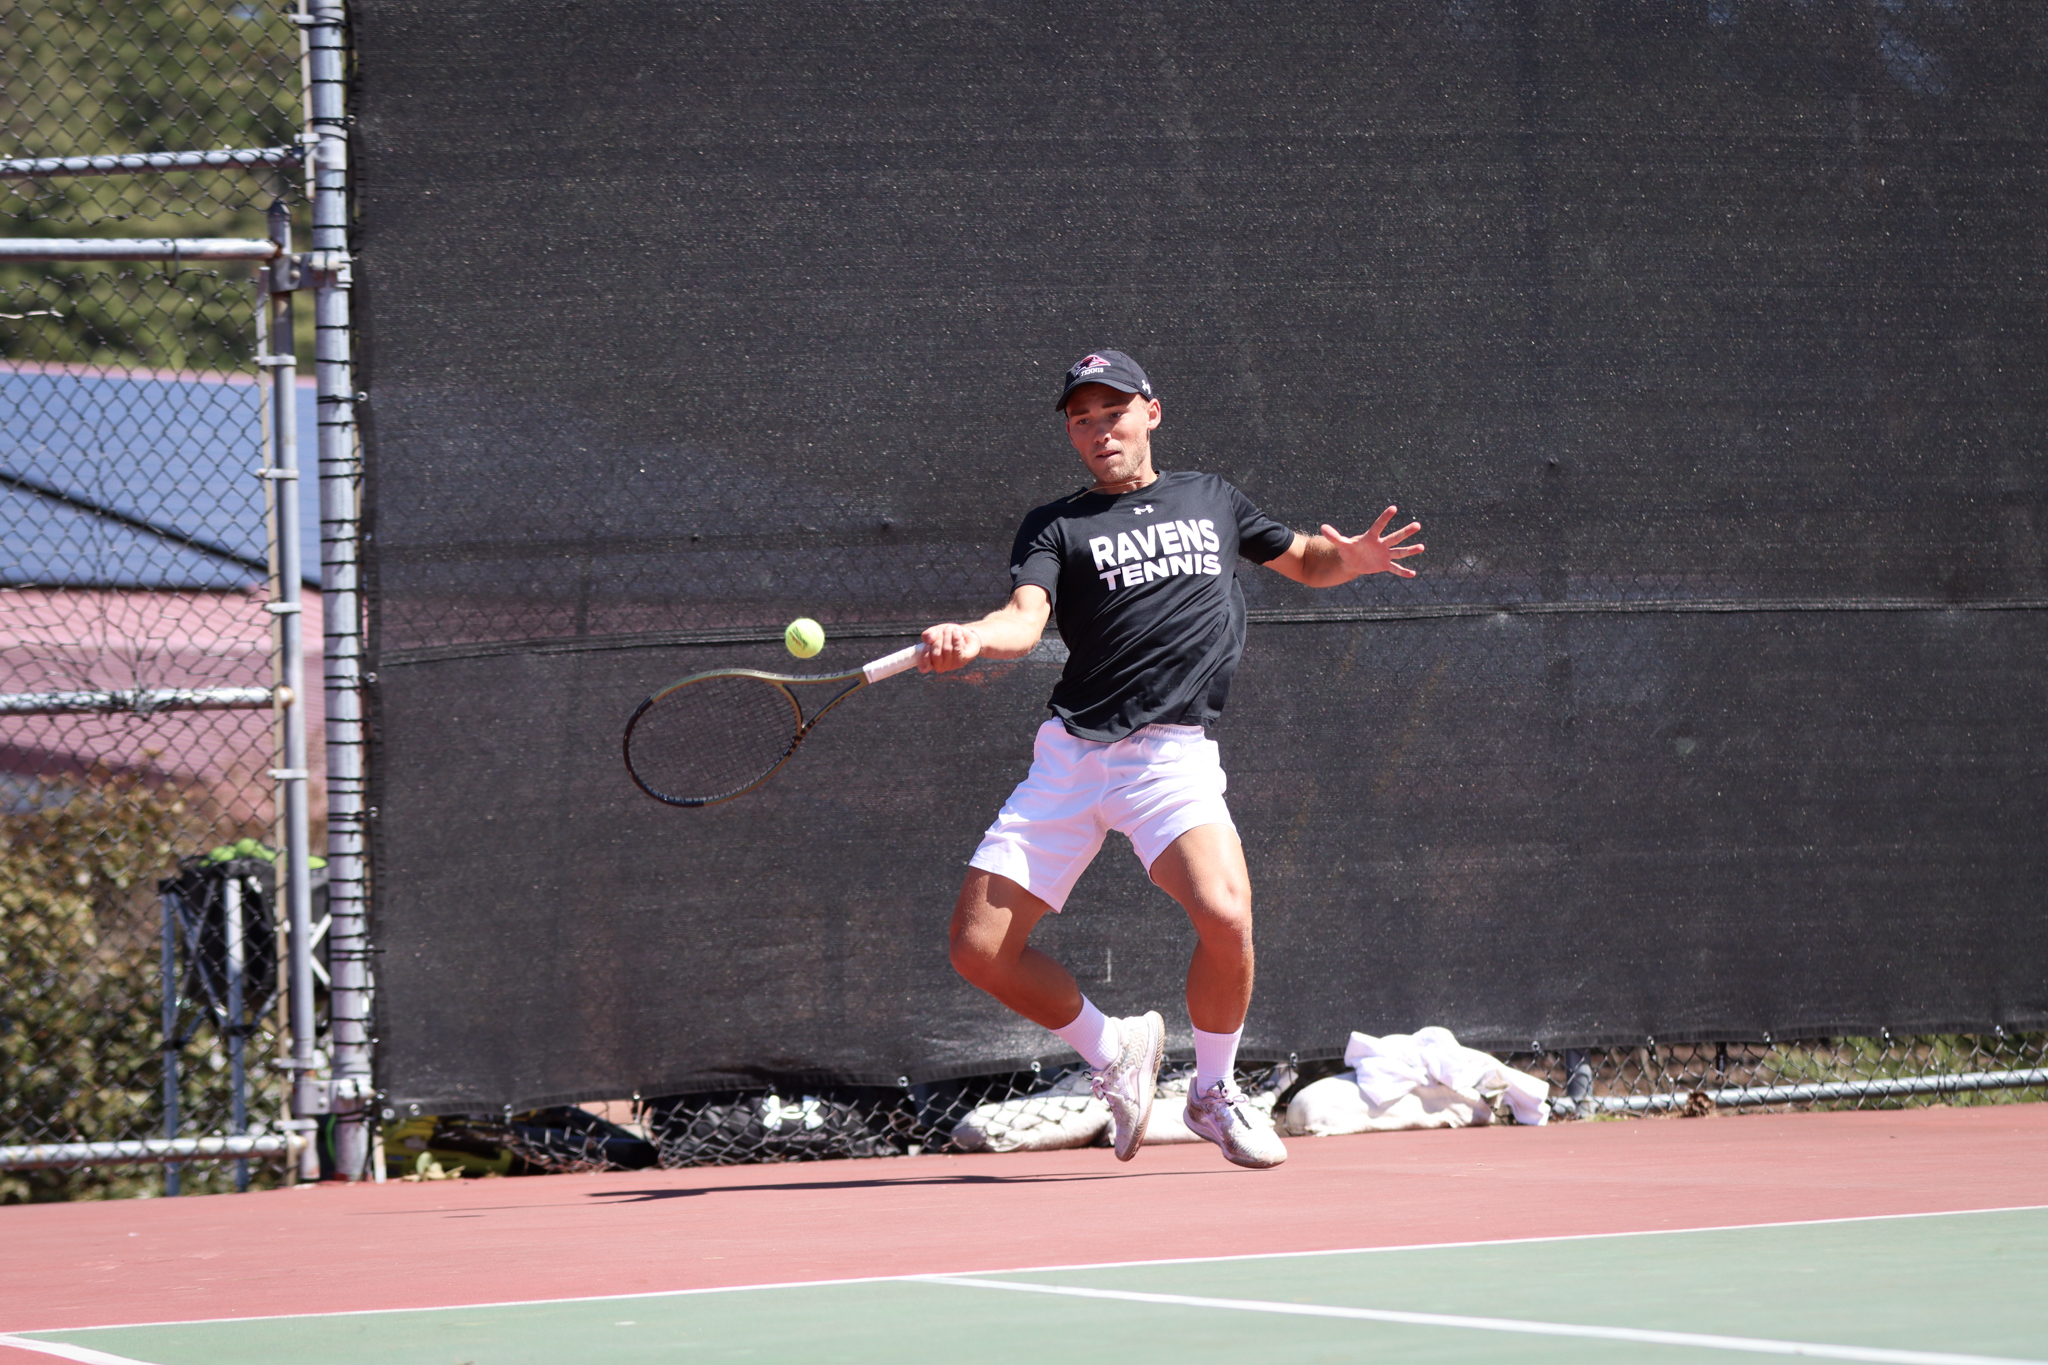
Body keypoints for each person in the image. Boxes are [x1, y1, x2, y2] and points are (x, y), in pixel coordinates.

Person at [919, 349, 1422, 1169]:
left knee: (1227, 914)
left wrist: (1354, 557)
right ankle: (1112, 1046)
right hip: (1073, 757)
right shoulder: (1056, 523)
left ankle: (1212, 1091)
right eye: (1081, 419)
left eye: (1112, 411)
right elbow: (1023, 617)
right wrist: (973, 637)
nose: (1097, 429)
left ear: (1151, 411)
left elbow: (1306, 559)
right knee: (977, 949)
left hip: (1169, 757)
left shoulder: (1212, 497)